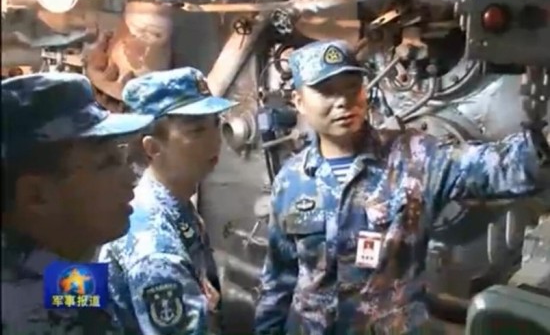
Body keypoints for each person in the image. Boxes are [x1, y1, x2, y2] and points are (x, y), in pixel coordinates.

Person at [253, 40, 549, 334]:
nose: (343, 101)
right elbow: (279, 279)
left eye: (352, 87)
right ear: (299, 101)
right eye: (326, 91)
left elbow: (501, 168)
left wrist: (542, 146)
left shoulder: (416, 157)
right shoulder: (291, 180)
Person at [2, 72, 153, 334]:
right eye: (106, 163)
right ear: (36, 195)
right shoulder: (38, 316)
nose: (131, 179)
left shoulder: (60, 268)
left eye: (119, 157)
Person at [98, 67, 237, 334]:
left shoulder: (176, 203)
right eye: (197, 131)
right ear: (152, 147)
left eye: (216, 124)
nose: (215, 139)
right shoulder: (156, 249)